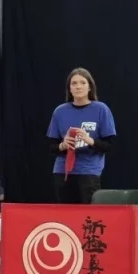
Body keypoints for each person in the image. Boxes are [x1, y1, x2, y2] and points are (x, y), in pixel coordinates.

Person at [47, 67, 116, 204]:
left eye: (83, 83)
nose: (78, 86)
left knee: (88, 214)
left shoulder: (101, 109)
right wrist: (63, 145)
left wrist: (90, 141)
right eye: (74, 83)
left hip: (89, 172)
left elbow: (109, 146)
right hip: (63, 172)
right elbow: (50, 146)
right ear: (69, 88)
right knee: (65, 213)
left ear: (90, 87)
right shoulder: (60, 111)